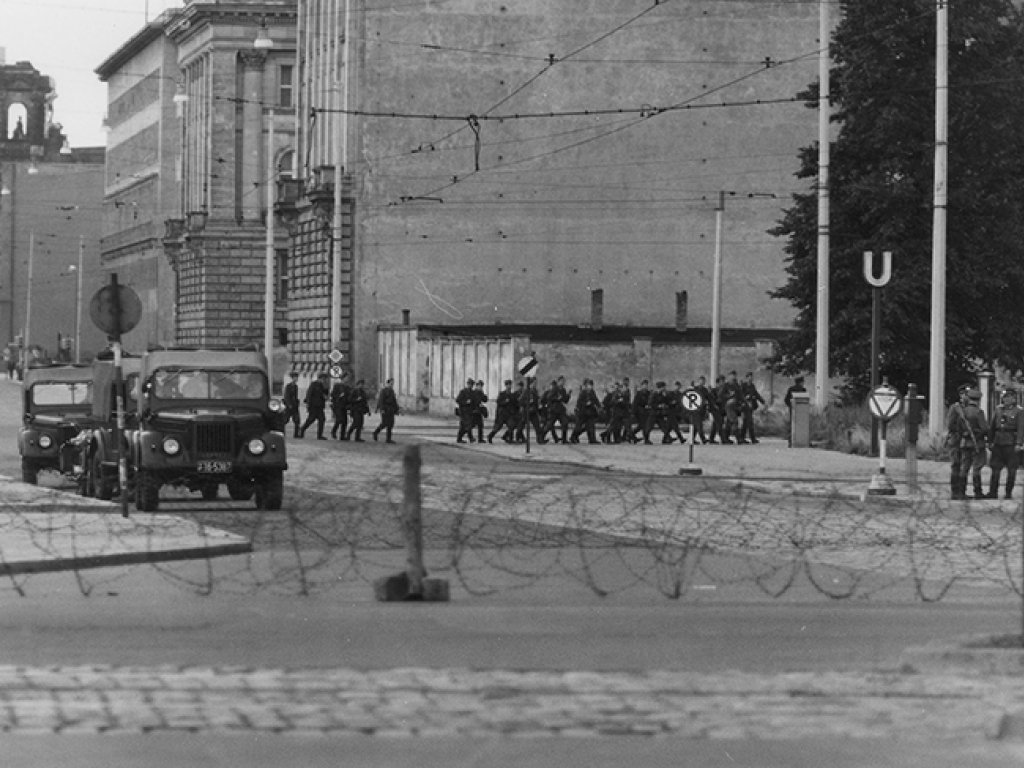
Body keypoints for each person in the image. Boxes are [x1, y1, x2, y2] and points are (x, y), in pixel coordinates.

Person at [946, 385, 988, 500]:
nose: (965, 397)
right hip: (957, 441)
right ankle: (956, 492)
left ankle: (961, 491)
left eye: (967, 395)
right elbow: (950, 425)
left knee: (963, 467)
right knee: (957, 466)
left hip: (964, 442)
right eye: (964, 394)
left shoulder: (964, 409)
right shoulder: (956, 408)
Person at [987, 387, 1023, 499]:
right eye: (1005, 397)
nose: (1006, 399)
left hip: (1011, 442)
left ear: (1014, 399)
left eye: (1009, 397)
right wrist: (990, 441)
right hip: (998, 442)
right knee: (995, 469)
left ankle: (1008, 492)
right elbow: (992, 426)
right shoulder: (998, 409)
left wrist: (1019, 443)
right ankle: (993, 492)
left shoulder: (1019, 411)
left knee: (1011, 470)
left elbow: (1021, 428)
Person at [299, 372, 330, 439]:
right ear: (320, 378)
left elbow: (326, 395)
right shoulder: (314, 384)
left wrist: (326, 395)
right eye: (323, 379)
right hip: (313, 406)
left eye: (325, 379)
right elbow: (309, 395)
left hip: (320, 406)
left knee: (322, 419)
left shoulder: (324, 386)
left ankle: (319, 435)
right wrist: (308, 405)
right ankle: (302, 429)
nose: (324, 380)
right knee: (311, 419)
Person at [570, 378, 601, 444]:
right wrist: (585, 404)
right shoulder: (582, 393)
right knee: (578, 427)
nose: (590, 387)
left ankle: (592, 439)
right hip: (582, 412)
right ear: (586, 386)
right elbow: (579, 403)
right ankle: (573, 437)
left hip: (590, 412)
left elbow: (595, 400)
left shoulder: (592, 392)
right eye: (589, 385)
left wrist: (599, 406)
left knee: (591, 426)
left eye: (591, 385)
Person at [540, 378, 570, 444]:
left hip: (560, 410)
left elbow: (565, 400)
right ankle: (541, 437)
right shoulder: (554, 389)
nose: (562, 383)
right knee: (549, 425)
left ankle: (564, 439)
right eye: (561, 381)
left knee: (565, 423)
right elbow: (549, 397)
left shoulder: (563, 390)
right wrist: (557, 398)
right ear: (558, 381)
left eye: (563, 382)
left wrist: (568, 395)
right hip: (553, 410)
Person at [739, 371, 766, 444]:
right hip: (745, 406)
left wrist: (762, 401)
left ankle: (742, 438)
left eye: (751, 377)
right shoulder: (743, 386)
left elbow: (756, 394)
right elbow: (740, 395)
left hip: (751, 406)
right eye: (749, 377)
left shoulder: (752, 386)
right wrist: (745, 398)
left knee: (745, 422)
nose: (750, 378)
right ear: (746, 378)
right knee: (749, 422)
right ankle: (752, 438)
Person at [718, 371, 743, 444]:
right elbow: (720, 395)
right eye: (732, 377)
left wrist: (743, 402)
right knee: (734, 421)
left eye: (734, 377)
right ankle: (738, 438)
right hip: (728, 406)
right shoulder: (725, 386)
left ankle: (725, 439)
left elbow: (740, 395)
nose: (733, 378)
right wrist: (729, 397)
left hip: (735, 406)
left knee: (729, 423)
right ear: (729, 377)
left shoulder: (736, 385)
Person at [374, 378, 399, 443]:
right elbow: (381, 401)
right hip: (385, 409)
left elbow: (394, 401)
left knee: (390, 424)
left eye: (393, 384)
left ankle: (388, 439)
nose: (392, 385)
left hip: (391, 409)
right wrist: (381, 409)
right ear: (387, 383)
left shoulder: (392, 391)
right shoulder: (383, 391)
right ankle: (376, 432)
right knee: (384, 423)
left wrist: (396, 409)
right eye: (391, 383)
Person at [783, 376, 807, 447]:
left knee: (792, 425)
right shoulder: (803, 390)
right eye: (803, 382)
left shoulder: (791, 389)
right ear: (801, 382)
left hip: (793, 410)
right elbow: (806, 400)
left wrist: (790, 406)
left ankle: (791, 441)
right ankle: (801, 440)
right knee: (801, 426)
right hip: (802, 411)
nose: (803, 383)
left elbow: (786, 400)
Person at [455, 378, 477, 443]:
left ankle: (460, 438)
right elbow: (458, 400)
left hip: (470, 412)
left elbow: (474, 402)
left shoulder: (473, 393)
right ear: (467, 384)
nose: (470, 385)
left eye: (472, 384)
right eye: (469, 384)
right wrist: (465, 402)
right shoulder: (463, 391)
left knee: (465, 426)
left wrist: (474, 408)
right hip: (463, 412)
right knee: (468, 425)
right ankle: (470, 438)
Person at [330, 374, 351, 440]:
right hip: (337, 405)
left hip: (344, 406)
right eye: (346, 378)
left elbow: (349, 397)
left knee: (345, 421)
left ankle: (342, 436)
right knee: (339, 420)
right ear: (343, 378)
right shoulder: (337, 386)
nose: (347, 379)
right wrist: (339, 396)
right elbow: (332, 394)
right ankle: (333, 431)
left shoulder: (347, 387)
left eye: (348, 378)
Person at [693, 375, 712, 444]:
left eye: (703, 381)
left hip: (702, 409)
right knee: (699, 425)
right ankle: (703, 439)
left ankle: (692, 439)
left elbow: (708, 398)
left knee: (695, 425)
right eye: (701, 381)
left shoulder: (705, 390)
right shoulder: (695, 389)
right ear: (699, 381)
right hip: (695, 409)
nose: (702, 382)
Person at [283, 372, 302, 438]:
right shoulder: (288, 386)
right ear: (292, 378)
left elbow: (295, 396)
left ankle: (296, 434)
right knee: (285, 420)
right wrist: (289, 404)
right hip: (289, 406)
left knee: (297, 420)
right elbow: (286, 396)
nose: (296, 379)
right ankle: (282, 432)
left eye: (297, 377)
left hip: (295, 405)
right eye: (295, 377)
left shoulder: (296, 386)